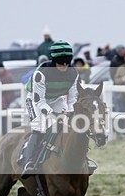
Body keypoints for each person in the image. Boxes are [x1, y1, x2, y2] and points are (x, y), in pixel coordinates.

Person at [19, 40, 80, 178]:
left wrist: (69, 111)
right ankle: (29, 162)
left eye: (67, 62)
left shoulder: (73, 73)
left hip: (57, 98)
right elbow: (40, 101)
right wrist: (54, 115)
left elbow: (72, 99)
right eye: (60, 63)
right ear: (54, 61)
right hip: (36, 100)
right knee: (39, 126)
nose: (64, 66)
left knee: (67, 126)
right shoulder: (42, 73)